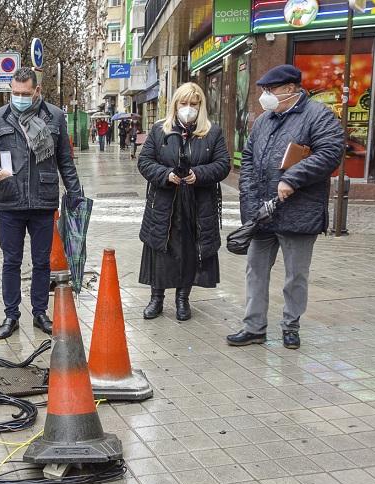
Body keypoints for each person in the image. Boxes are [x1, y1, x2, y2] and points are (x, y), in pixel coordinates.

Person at [227, 65, 344, 349]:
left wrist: (293, 178)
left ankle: (291, 326)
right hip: (263, 215)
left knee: (296, 275)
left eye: (270, 90)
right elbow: (249, 165)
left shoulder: (319, 116)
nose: (265, 96)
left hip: (299, 212)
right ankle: (254, 327)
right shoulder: (264, 121)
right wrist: (251, 207)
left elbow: (331, 152)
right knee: (255, 270)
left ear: (290, 89)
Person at [0, 67, 81, 339]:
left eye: (25, 93)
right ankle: (11, 315)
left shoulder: (55, 117)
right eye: (14, 93)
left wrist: (75, 193)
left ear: (37, 91)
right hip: (9, 201)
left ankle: (39, 312)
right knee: (11, 261)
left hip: (43, 201)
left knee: (41, 262)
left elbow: (65, 161)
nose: (19, 98)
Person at [137, 82, 230, 321]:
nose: (188, 108)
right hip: (165, 202)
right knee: (160, 250)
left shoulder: (212, 132)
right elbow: (145, 161)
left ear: (201, 107)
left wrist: (198, 174)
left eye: (194, 104)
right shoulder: (160, 131)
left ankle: (182, 299)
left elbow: (222, 165)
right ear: (175, 105)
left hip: (197, 205)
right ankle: (156, 298)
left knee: (189, 252)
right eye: (184, 103)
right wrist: (165, 175)